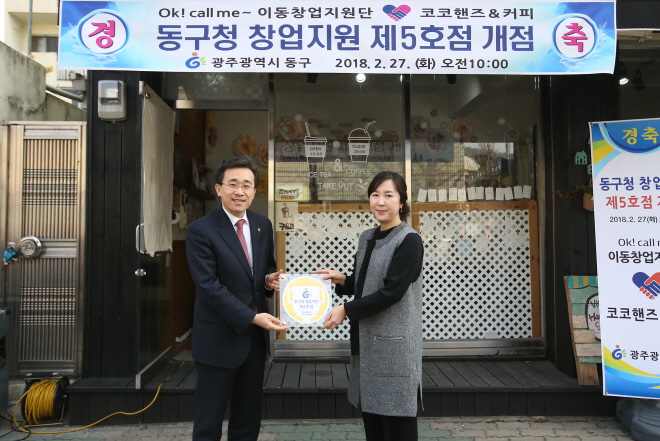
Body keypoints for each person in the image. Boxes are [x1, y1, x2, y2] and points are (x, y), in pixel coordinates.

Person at [314, 171, 424, 441]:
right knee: (374, 423)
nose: (380, 202)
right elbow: (365, 283)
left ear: (402, 202)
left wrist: (346, 310)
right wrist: (343, 279)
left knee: (397, 424)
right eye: (375, 195)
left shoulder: (409, 240)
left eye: (388, 195)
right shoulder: (367, 237)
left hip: (395, 348)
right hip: (367, 343)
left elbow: (391, 292)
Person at [186, 155, 288, 441]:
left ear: (255, 191)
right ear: (219, 188)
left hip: (253, 340)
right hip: (217, 337)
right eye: (233, 184)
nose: (239, 191)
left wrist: (268, 280)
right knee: (209, 421)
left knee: (247, 419)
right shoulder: (200, 230)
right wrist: (252, 316)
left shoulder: (262, 225)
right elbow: (208, 285)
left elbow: (264, 268)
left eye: (246, 185)